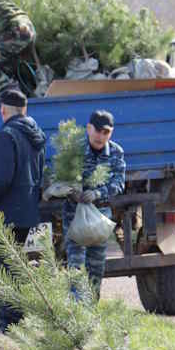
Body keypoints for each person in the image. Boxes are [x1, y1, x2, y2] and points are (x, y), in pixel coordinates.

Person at [0, 88, 47, 333]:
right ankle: (20, 319)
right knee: (19, 268)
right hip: (28, 212)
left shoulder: (8, 134)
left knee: (1, 271)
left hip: (6, 214)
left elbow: (2, 179)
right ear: (24, 109)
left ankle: (8, 324)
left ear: (3, 110)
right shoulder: (36, 133)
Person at [63, 110, 126, 302]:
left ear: (111, 132)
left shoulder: (116, 152)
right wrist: (72, 191)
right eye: (97, 131)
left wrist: (98, 193)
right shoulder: (73, 150)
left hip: (100, 215)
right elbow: (58, 177)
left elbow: (119, 183)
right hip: (75, 215)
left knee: (96, 266)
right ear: (89, 128)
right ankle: (75, 312)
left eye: (106, 132)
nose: (101, 136)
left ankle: (91, 308)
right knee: (75, 264)